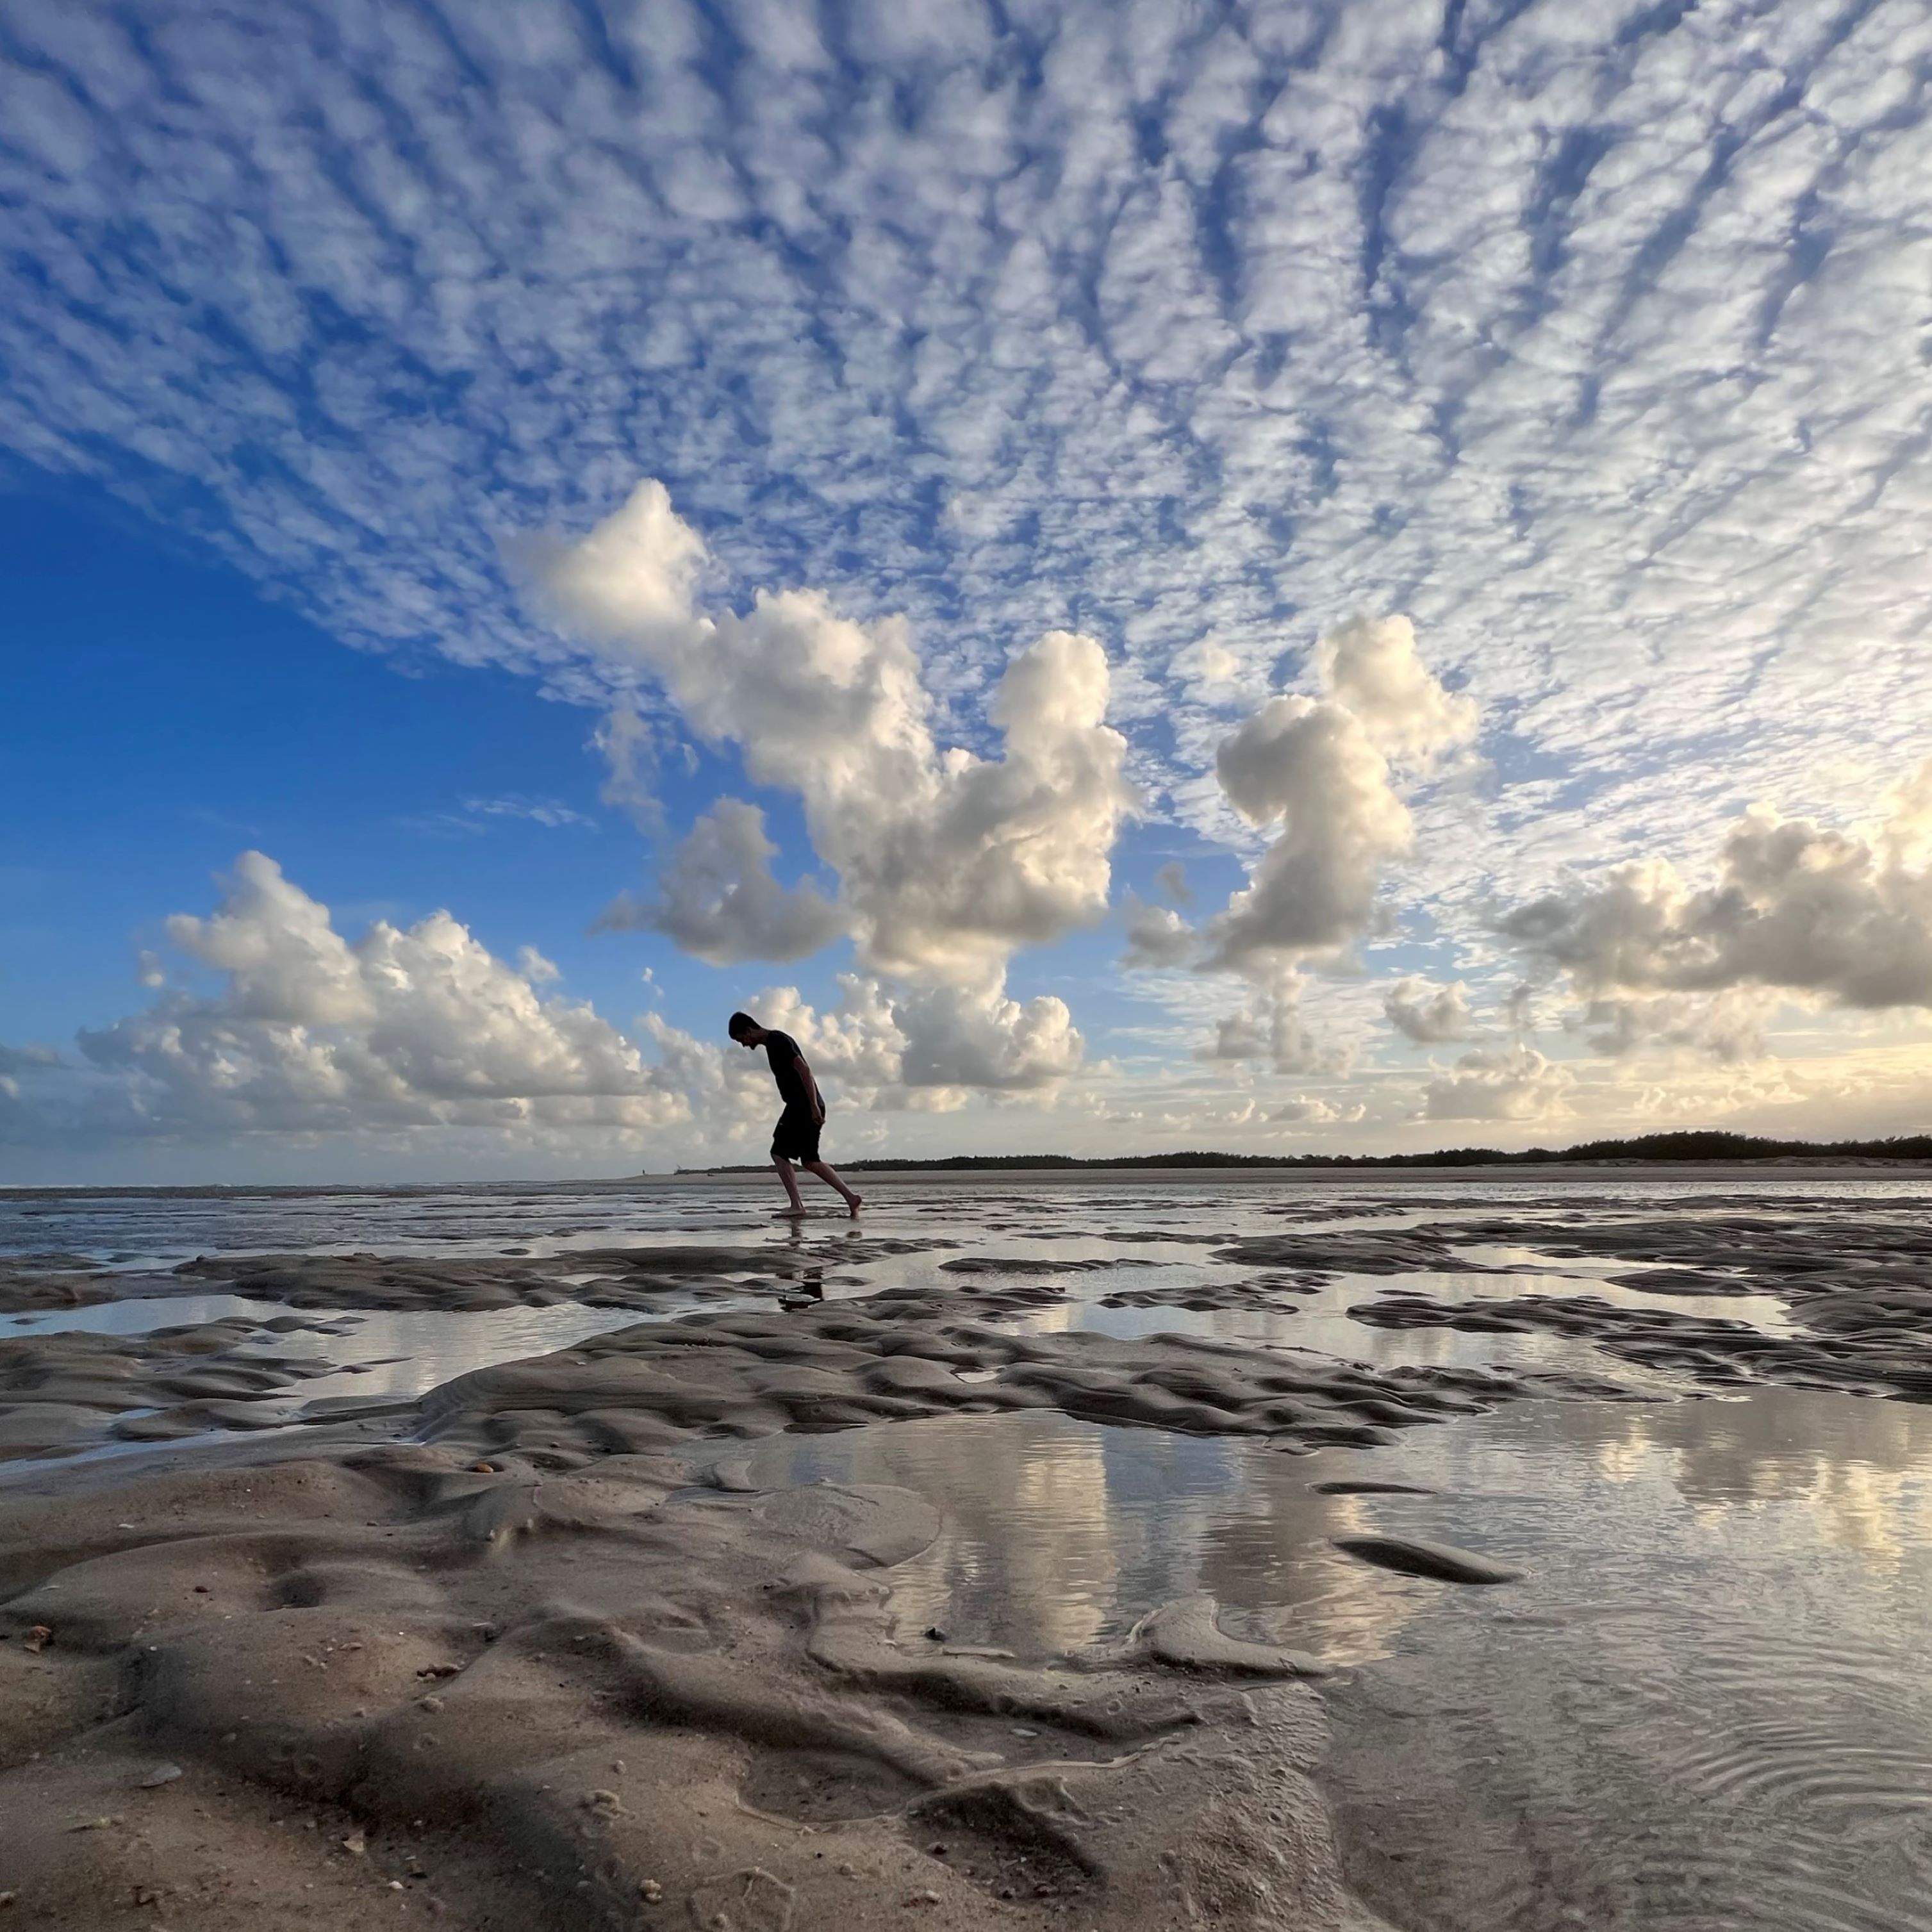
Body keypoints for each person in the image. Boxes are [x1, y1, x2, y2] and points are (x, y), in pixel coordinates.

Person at [728, 1011, 864, 1218]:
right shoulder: (773, 1043)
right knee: (810, 1160)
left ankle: (796, 1205)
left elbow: (804, 1070)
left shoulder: (777, 1041)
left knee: (778, 1152)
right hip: (805, 1105)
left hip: (802, 1106)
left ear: (748, 1030)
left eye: (742, 1039)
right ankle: (851, 1198)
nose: (744, 1044)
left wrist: (813, 1106)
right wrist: (816, 1105)